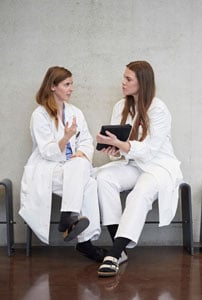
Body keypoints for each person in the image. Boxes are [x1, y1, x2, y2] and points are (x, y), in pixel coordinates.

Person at [94, 60, 183, 277]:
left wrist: (121, 145)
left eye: (128, 79)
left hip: (158, 166)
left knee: (140, 192)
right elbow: (124, 146)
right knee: (104, 177)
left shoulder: (159, 108)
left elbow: (150, 149)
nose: (122, 82)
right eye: (123, 77)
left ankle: (113, 255)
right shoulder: (119, 107)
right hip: (133, 164)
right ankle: (120, 249)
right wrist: (113, 149)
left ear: (141, 83)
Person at [19, 66, 106, 262]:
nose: (71, 88)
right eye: (67, 84)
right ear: (52, 86)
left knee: (84, 172)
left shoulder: (75, 112)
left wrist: (81, 153)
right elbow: (46, 151)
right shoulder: (39, 115)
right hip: (49, 169)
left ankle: (69, 217)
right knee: (87, 181)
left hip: (73, 166)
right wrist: (66, 137)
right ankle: (85, 243)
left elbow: (86, 141)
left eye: (71, 84)